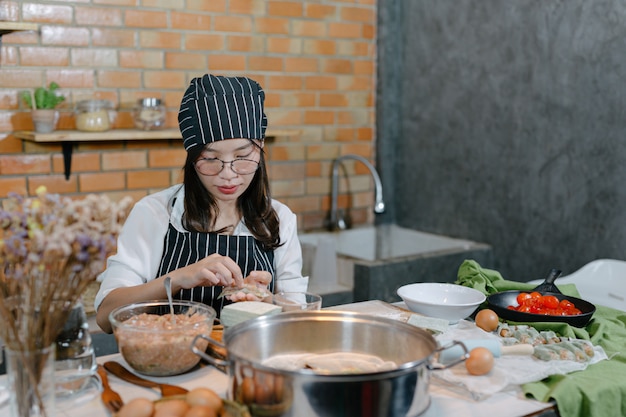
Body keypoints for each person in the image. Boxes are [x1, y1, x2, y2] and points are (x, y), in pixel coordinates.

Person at [95, 74, 307, 333]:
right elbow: (106, 316)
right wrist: (177, 279)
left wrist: (268, 300)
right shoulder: (155, 213)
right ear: (192, 157)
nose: (228, 173)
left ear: (260, 147)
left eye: (242, 156)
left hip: (251, 363)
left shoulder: (279, 218)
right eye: (210, 158)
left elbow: (300, 317)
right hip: (174, 366)